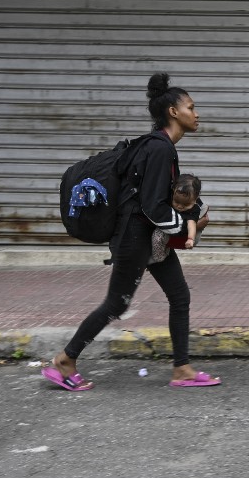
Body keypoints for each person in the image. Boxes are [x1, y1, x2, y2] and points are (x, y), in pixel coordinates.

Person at [41, 73, 222, 391]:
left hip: (150, 239)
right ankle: (65, 360)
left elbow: (156, 200)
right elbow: (153, 206)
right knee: (116, 304)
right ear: (173, 112)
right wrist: (187, 227)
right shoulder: (160, 149)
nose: (197, 113)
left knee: (180, 297)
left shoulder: (158, 146)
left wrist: (186, 216)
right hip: (135, 238)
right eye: (191, 107)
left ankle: (182, 369)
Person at [150, 174, 206, 264]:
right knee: (157, 234)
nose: (179, 206)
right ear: (173, 191)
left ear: (196, 199)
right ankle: (161, 251)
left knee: (157, 236)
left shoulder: (194, 209)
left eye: (186, 204)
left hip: (181, 235)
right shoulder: (168, 197)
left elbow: (191, 224)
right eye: (176, 202)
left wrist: (190, 239)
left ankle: (158, 259)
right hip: (168, 229)